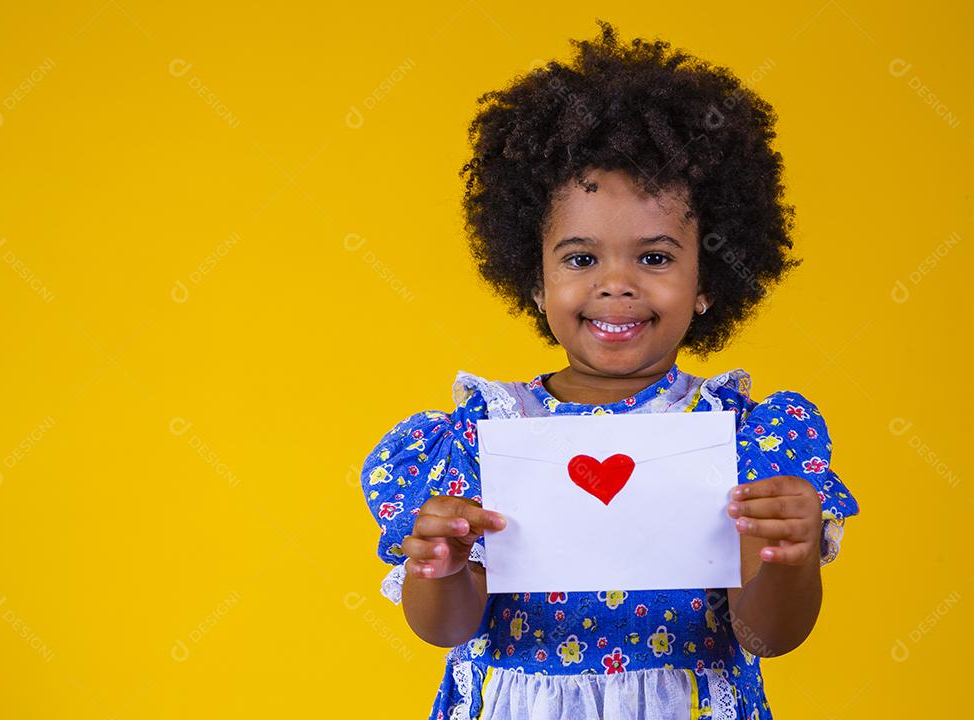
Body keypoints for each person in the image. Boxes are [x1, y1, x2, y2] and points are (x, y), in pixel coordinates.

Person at [359, 20, 860, 720]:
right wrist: (437, 566)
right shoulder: (483, 434)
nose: (616, 284)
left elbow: (767, 635)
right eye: (581, 258)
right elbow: (445, 629)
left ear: (707, 280)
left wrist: (790, 554)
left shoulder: (744, 439)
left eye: (654, 258)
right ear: (533, 280)